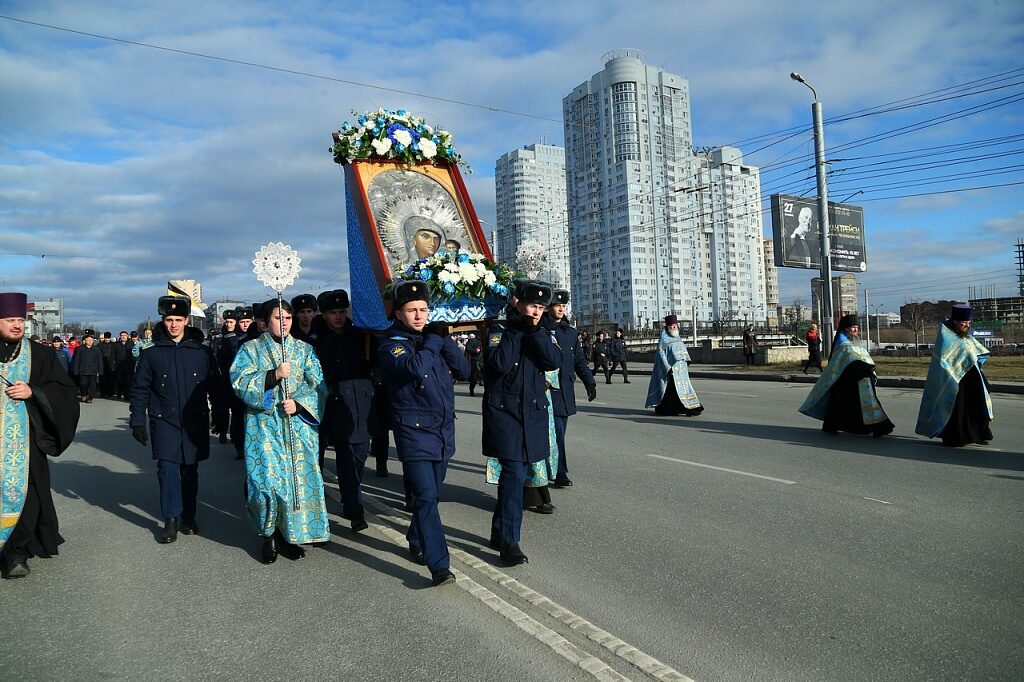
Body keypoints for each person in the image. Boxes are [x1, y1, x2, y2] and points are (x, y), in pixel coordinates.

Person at [377, 281, 470, 586]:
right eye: (412, 310)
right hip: (413, 432)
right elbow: (415, 368)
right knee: (427, 498)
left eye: (423, 310)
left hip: (442, 431)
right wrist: (432, 342)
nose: (419, 316)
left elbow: (465, 372)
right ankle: (439, 565)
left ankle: (416, 537)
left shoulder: (432, 338)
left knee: (431, 494)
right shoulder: (391, 343)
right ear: (399, 313)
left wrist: (446, 340)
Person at [231, 298, 330, 563]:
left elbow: (318, 386)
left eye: (288, 317)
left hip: (296, 428)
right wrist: (273, 375)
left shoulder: (305, 350)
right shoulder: (250, 349)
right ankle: (268, 535)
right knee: (267, 483)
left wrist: (298, 405)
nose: (284, 322)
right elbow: (239, 381)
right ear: (265, 321)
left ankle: (290, 535)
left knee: (294, 482)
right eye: (278, 317)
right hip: (263, 427)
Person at [0, 293, 80, 579]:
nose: (17, 325)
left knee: (28, 496)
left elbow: (65, 392)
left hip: (27, 443)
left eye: (20, 320)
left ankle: (17, 553)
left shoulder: (41, 354)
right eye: (10, 320)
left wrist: (34, 392)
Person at [130, 296, 221, 544]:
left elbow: (214, 386)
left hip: (194, 420)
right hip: (164, 419)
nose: (173, 325)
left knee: (190, 469)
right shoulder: (151, 353)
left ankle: (188, 516)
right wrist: (137, 420)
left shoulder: (201, 353)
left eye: (178, 320)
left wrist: (221, 415)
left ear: (187, 320)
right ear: (163, 320)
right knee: (168, 468)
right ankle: (170, 518)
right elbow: (140, 389)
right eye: (169, 320)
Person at [482, 280, 561, 566]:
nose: (537, 312)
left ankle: (498, 531)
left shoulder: (542, 331)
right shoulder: (498, 331)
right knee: (514, 476)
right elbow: (500, 365)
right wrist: (517, 330)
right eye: (532, 306)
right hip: (505, 415)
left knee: (514, 477)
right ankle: (510, 542)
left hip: (532, 415)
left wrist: (535, 331)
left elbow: (552, 362)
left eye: (541, 307)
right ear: (516, 303)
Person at [312, 289, 376, 533]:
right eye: (332, 313)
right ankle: (355, 509)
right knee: (347, 459)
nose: (338, 317)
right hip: (337, 404)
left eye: (341, 312)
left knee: (360, 455)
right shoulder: (318, 342)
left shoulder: (362, 334)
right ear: (324, 315)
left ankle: (350, 499)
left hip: (364, 401)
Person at [799, 314, 895, 438]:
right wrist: (863, 368)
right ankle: (877, 428)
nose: (855, 330)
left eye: (856, 327)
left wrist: (867, 368)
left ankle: (876, 427)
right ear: (845, 328)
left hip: (859, 377)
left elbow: (860, 356)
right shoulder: (842, 342)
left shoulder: (854, 340)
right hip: (846, 378)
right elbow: (848, 359)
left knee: (855, 405)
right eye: (853, 327)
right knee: (845, 404)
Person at [915, 303, 993, 447]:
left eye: (968, 322)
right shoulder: (946, 337)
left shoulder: (965, 336)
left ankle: (980, 434)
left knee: (978, 405)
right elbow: (945, 360)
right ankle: (955, 436)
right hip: (955, 379)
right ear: (955, 321)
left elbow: (975, 351)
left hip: (973, 377)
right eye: (964, 322)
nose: (966, 325)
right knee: (957, 407)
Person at [542, 289, 597, 488]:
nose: (561, 309)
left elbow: (579, 360)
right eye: (557, 306)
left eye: (563, 306)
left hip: (565, 391)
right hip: (547, 392)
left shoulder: (570, 332)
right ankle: (560, 472)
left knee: (560, 434)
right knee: (555, 434)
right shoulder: (540, 330)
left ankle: (550, 466)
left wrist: (589, 382)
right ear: (548, 307)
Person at [646, 314, 704, 416]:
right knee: (672, 391)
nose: (673, 327)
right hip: (671, 370)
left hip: (681, 370)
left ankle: (690, 406)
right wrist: (667, 367)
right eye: (671, 326)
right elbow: (661, 355)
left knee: (685, 389)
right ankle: (679, 409)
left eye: (675, 325)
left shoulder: (677, 337)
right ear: (667, 327)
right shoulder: (664, 339)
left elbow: (682, 351)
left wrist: (686, 361)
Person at [71, 330, 102, 402]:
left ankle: (90, 397)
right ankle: (84, 394)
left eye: (91, 340)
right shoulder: (80, 349)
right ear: (85, 341)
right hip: (83, 370)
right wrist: (75, 370)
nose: (90, 341)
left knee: (92, 385)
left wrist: (100, 370)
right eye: (88, 340)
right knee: (83, 384)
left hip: (93, 371)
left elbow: (100, 361)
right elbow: (77, 360)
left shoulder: (96, 349)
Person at [113, 330, 134, 400]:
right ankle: (119, 392)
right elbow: (112, 355)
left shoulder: (131, 344)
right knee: (119, 381)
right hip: (119, 366)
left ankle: (126, 395)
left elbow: (134, 355)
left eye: (124, 335)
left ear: (127, 336)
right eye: (122, 335)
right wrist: (112, 365)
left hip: (129, 366)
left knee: (128, 382)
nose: (123, 337)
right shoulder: (116, 344)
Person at [464, 331, 483, 397]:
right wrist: (475, 350)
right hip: (476, 361)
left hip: (484, 361)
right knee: (474, 377)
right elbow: (468, 348)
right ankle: (471, 388)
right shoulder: (473, 341)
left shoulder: (487, 340)